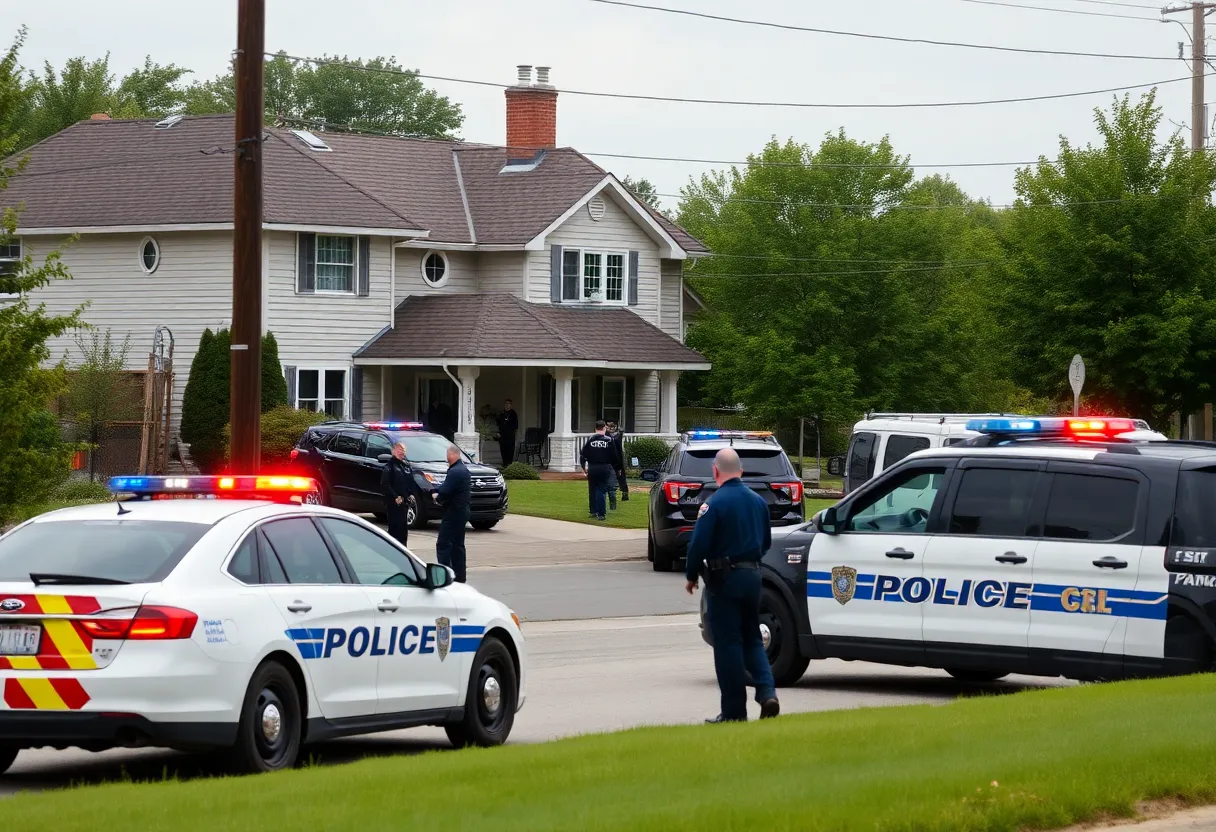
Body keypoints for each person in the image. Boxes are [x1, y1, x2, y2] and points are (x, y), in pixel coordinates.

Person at [684, 447, 780, 724]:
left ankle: (734, 711)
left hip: (724, 579)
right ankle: (766, 692)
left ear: (715, 471)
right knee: (752, 637)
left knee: (727, 643)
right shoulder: (757, 502)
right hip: (753, 576)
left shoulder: (713, 504)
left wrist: (691, 574)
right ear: (741, 470)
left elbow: (697, 545)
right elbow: (765, 543)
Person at [433, 443, 472, 582]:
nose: (447, 457)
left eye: (448, 454)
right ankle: (460, 577)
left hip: (454, 512)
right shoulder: (463, 469)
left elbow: (446, 491)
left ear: (454, 454)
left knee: (443, 543)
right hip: (463, 511)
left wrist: (437, 496)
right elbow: (449, 487)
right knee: (458, 545)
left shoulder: (455, 471)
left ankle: (445, 576)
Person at [579, 421, 616, 521]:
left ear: (595, 429)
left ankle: (593, 511)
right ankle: (601, 514)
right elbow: (614, 456)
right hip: (604, 467)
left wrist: (584, 468)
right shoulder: (609, 440)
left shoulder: (590, 441)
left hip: (592, 467)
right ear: (604, 428)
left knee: (592, 490)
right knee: (601, 490)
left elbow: (583, 456)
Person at [379, 441, 413, 547]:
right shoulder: (389, 467)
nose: (401, 452)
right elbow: (385, 484)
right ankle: (393, 549)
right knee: (395, 527)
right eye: (399, 450)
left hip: (404, 503)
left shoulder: (406, 466)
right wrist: (395, 496)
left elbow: (410, 482)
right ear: (393, 451)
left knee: (403, 528)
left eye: (403, 450)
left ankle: (403, 548)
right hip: (393, 503)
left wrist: (410, 494)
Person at [606, 419, 629, 504]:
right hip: (612, 459)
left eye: (611, 426)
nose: (610, 428)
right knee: (618, 477)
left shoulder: (616, 437)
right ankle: (620, 493)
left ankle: (624, 493)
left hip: (616, 459)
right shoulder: (611, 436)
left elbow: (618, 448)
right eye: (608, 426)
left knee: (620, 477)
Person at [497, 398, 519, 468]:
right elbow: (499, 424)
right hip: (502, 435)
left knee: (510, 449)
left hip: (510, 435)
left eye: (509, 404)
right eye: (506, 404)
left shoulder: (513, 414)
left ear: (511, 405)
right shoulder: (502, 414)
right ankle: (504, 463)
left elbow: (515, 425)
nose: (507, 405)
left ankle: (509, 464)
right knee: (503, 449)